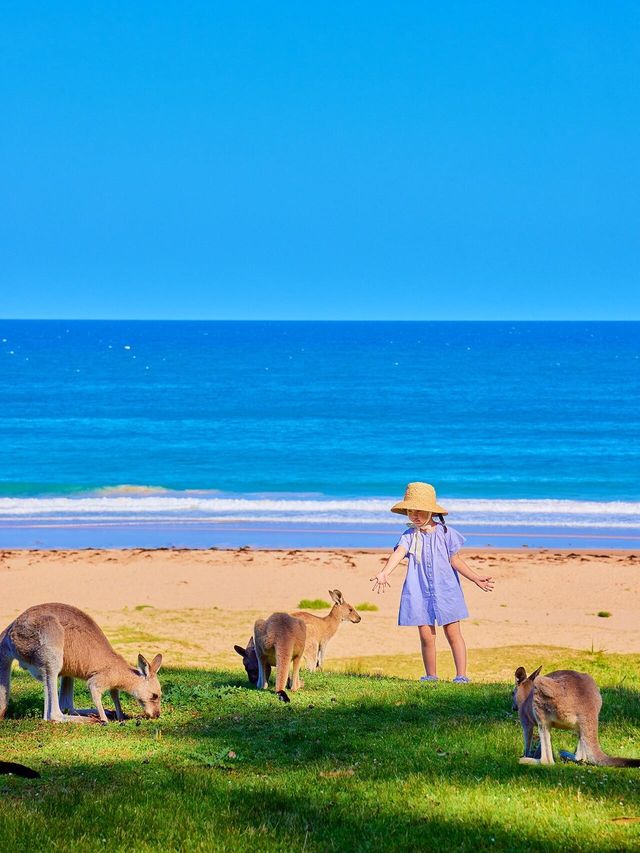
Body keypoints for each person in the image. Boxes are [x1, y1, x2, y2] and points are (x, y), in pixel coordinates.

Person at [371, 482, 494, 683]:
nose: (415, 516)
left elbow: (455, 560)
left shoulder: (446, 533)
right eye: (411, 511)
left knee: (453, 634)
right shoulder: (409, 535)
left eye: (419, 511)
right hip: (419, 591)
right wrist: (384, 572)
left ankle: (461, 675)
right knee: (426, 636)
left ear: (431, 511)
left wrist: (475, 577)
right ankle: (431, 676)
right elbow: (399, 553)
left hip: (446, 590)